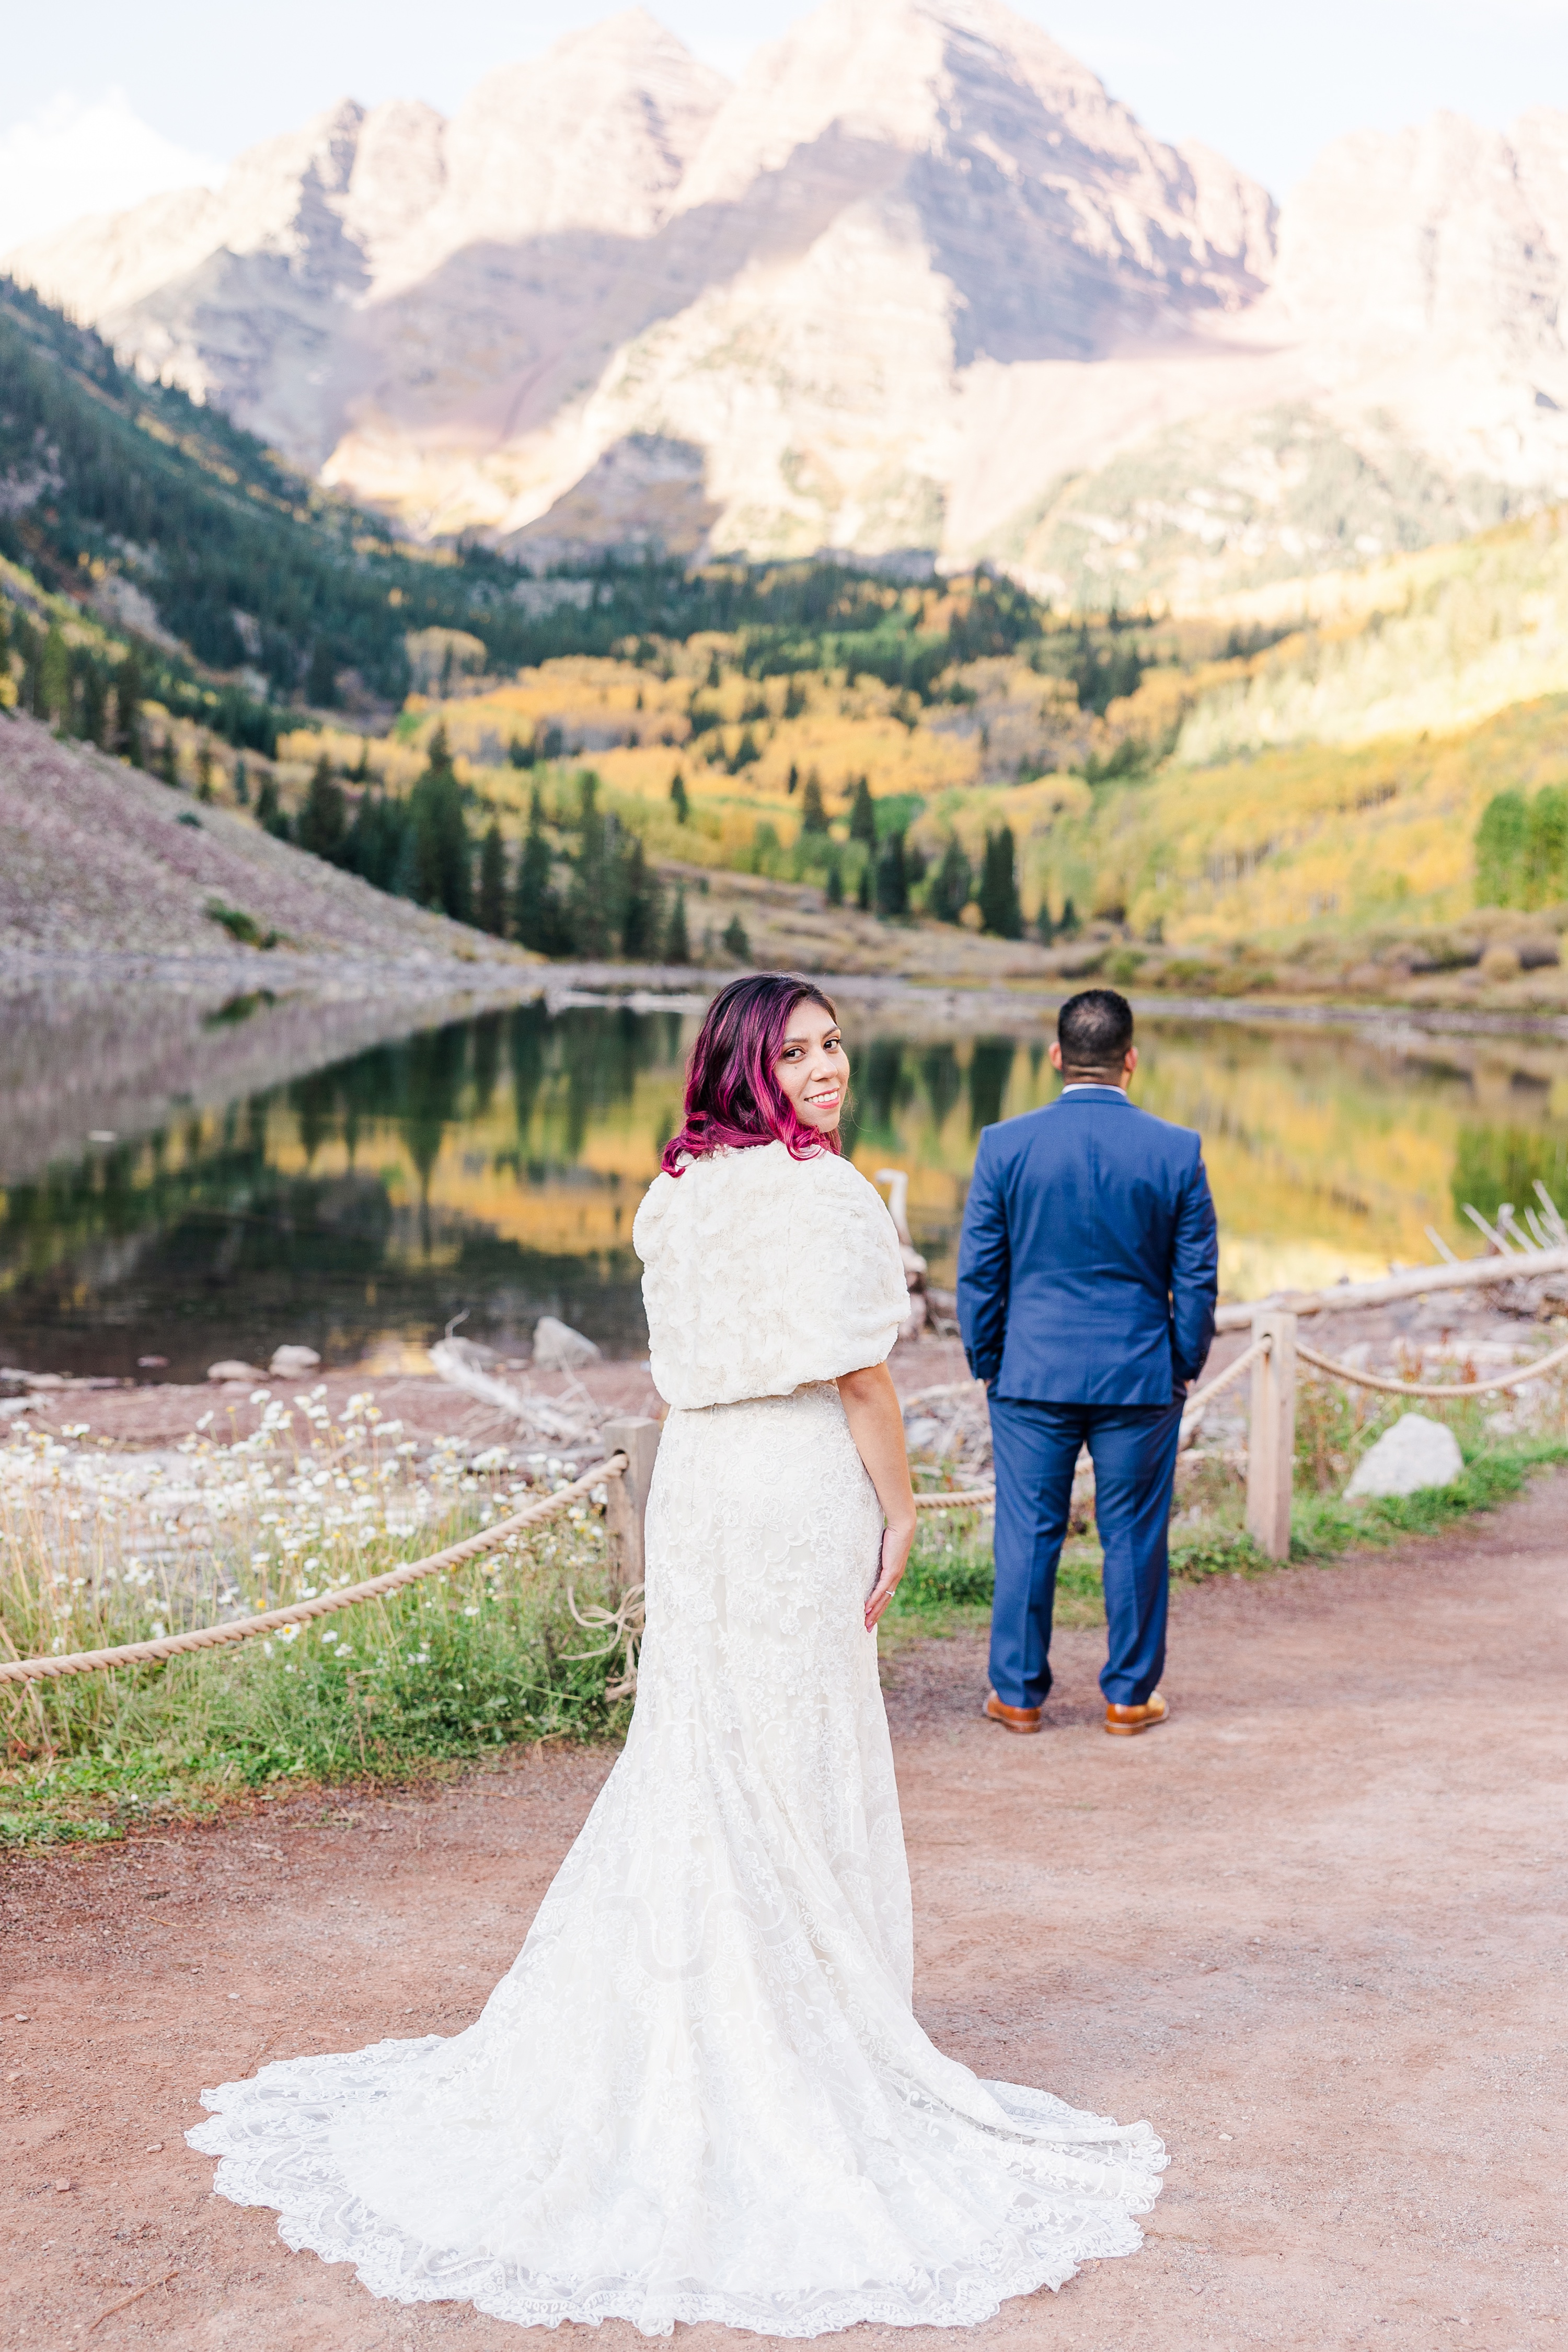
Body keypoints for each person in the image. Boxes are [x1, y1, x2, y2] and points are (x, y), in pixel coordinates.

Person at [189, 974, 1166, 2335]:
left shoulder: (674, 1193)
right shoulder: (830, 1195)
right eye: (801, 1050)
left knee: (705, 1748)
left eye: (836, 1044)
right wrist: (900, 1511)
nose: (830, 1067)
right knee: (794, 1748)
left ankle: (709, 2005)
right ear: (748, 1065)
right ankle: (798, 2031)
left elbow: (678, 1365)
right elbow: (862, 1380)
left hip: (701, 1484)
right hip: (793, 1484)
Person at [958, 987, 1218, 1737]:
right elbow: (1197, 1278)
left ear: (1056, 1057)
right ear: (1130, 1060)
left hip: (1030, 1374)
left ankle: (1018, 1694)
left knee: (1027, 1533)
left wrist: (990, 1360)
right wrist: (1180, 1364)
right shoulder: (1177, 1150)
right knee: (1134, 1535)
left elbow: (980, 1272)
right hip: (1139, 1375)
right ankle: (1129, 1697)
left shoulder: (1004, 1145)